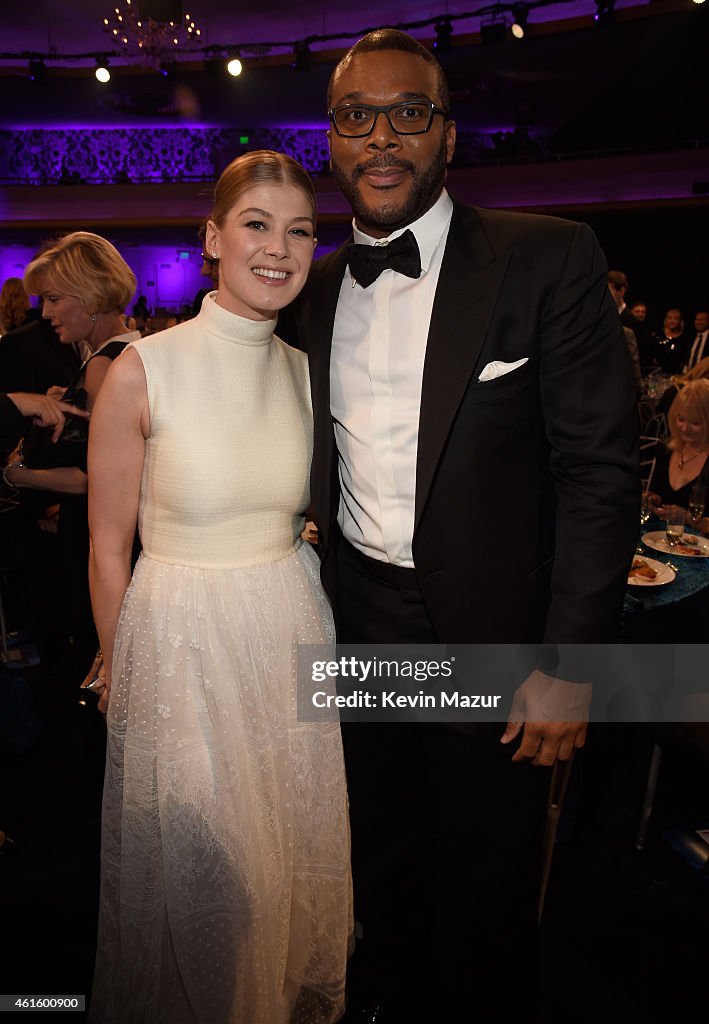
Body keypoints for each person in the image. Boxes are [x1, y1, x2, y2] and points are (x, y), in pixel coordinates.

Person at [283, 28, 638, 1021]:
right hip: (360, 622)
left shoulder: (548, 256)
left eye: (409, 113)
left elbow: (598, 473)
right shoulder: (308, 291)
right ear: (332, 139)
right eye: (357, 116)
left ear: (449, 133)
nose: (382, 137)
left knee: (484, 894)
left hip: (495, 641)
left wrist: (571, 662)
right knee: (380, 867)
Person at [87, 151, 351, 1024]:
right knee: (214, 872)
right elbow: (105, 542)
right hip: (181, 641)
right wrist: (117, 658)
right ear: (212, 238)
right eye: (255, 224)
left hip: (286, 626)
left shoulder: (310, 375)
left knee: (284, 852)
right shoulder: (142, 367)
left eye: (300, 230)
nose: (278, 248)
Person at [5, 232, 140, 680]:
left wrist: (17, 476)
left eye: (54, 299)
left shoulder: (105, 364)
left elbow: (94, 479)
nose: (45, 313)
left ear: (88, 297)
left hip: (95, 541)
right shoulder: (124, 351)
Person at [648, 379, 709, 510]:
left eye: (695, 423)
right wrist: (653, 499)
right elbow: (657, 493)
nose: (685, 428)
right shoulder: (665, 449)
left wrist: (687, 519)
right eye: (681, 419)